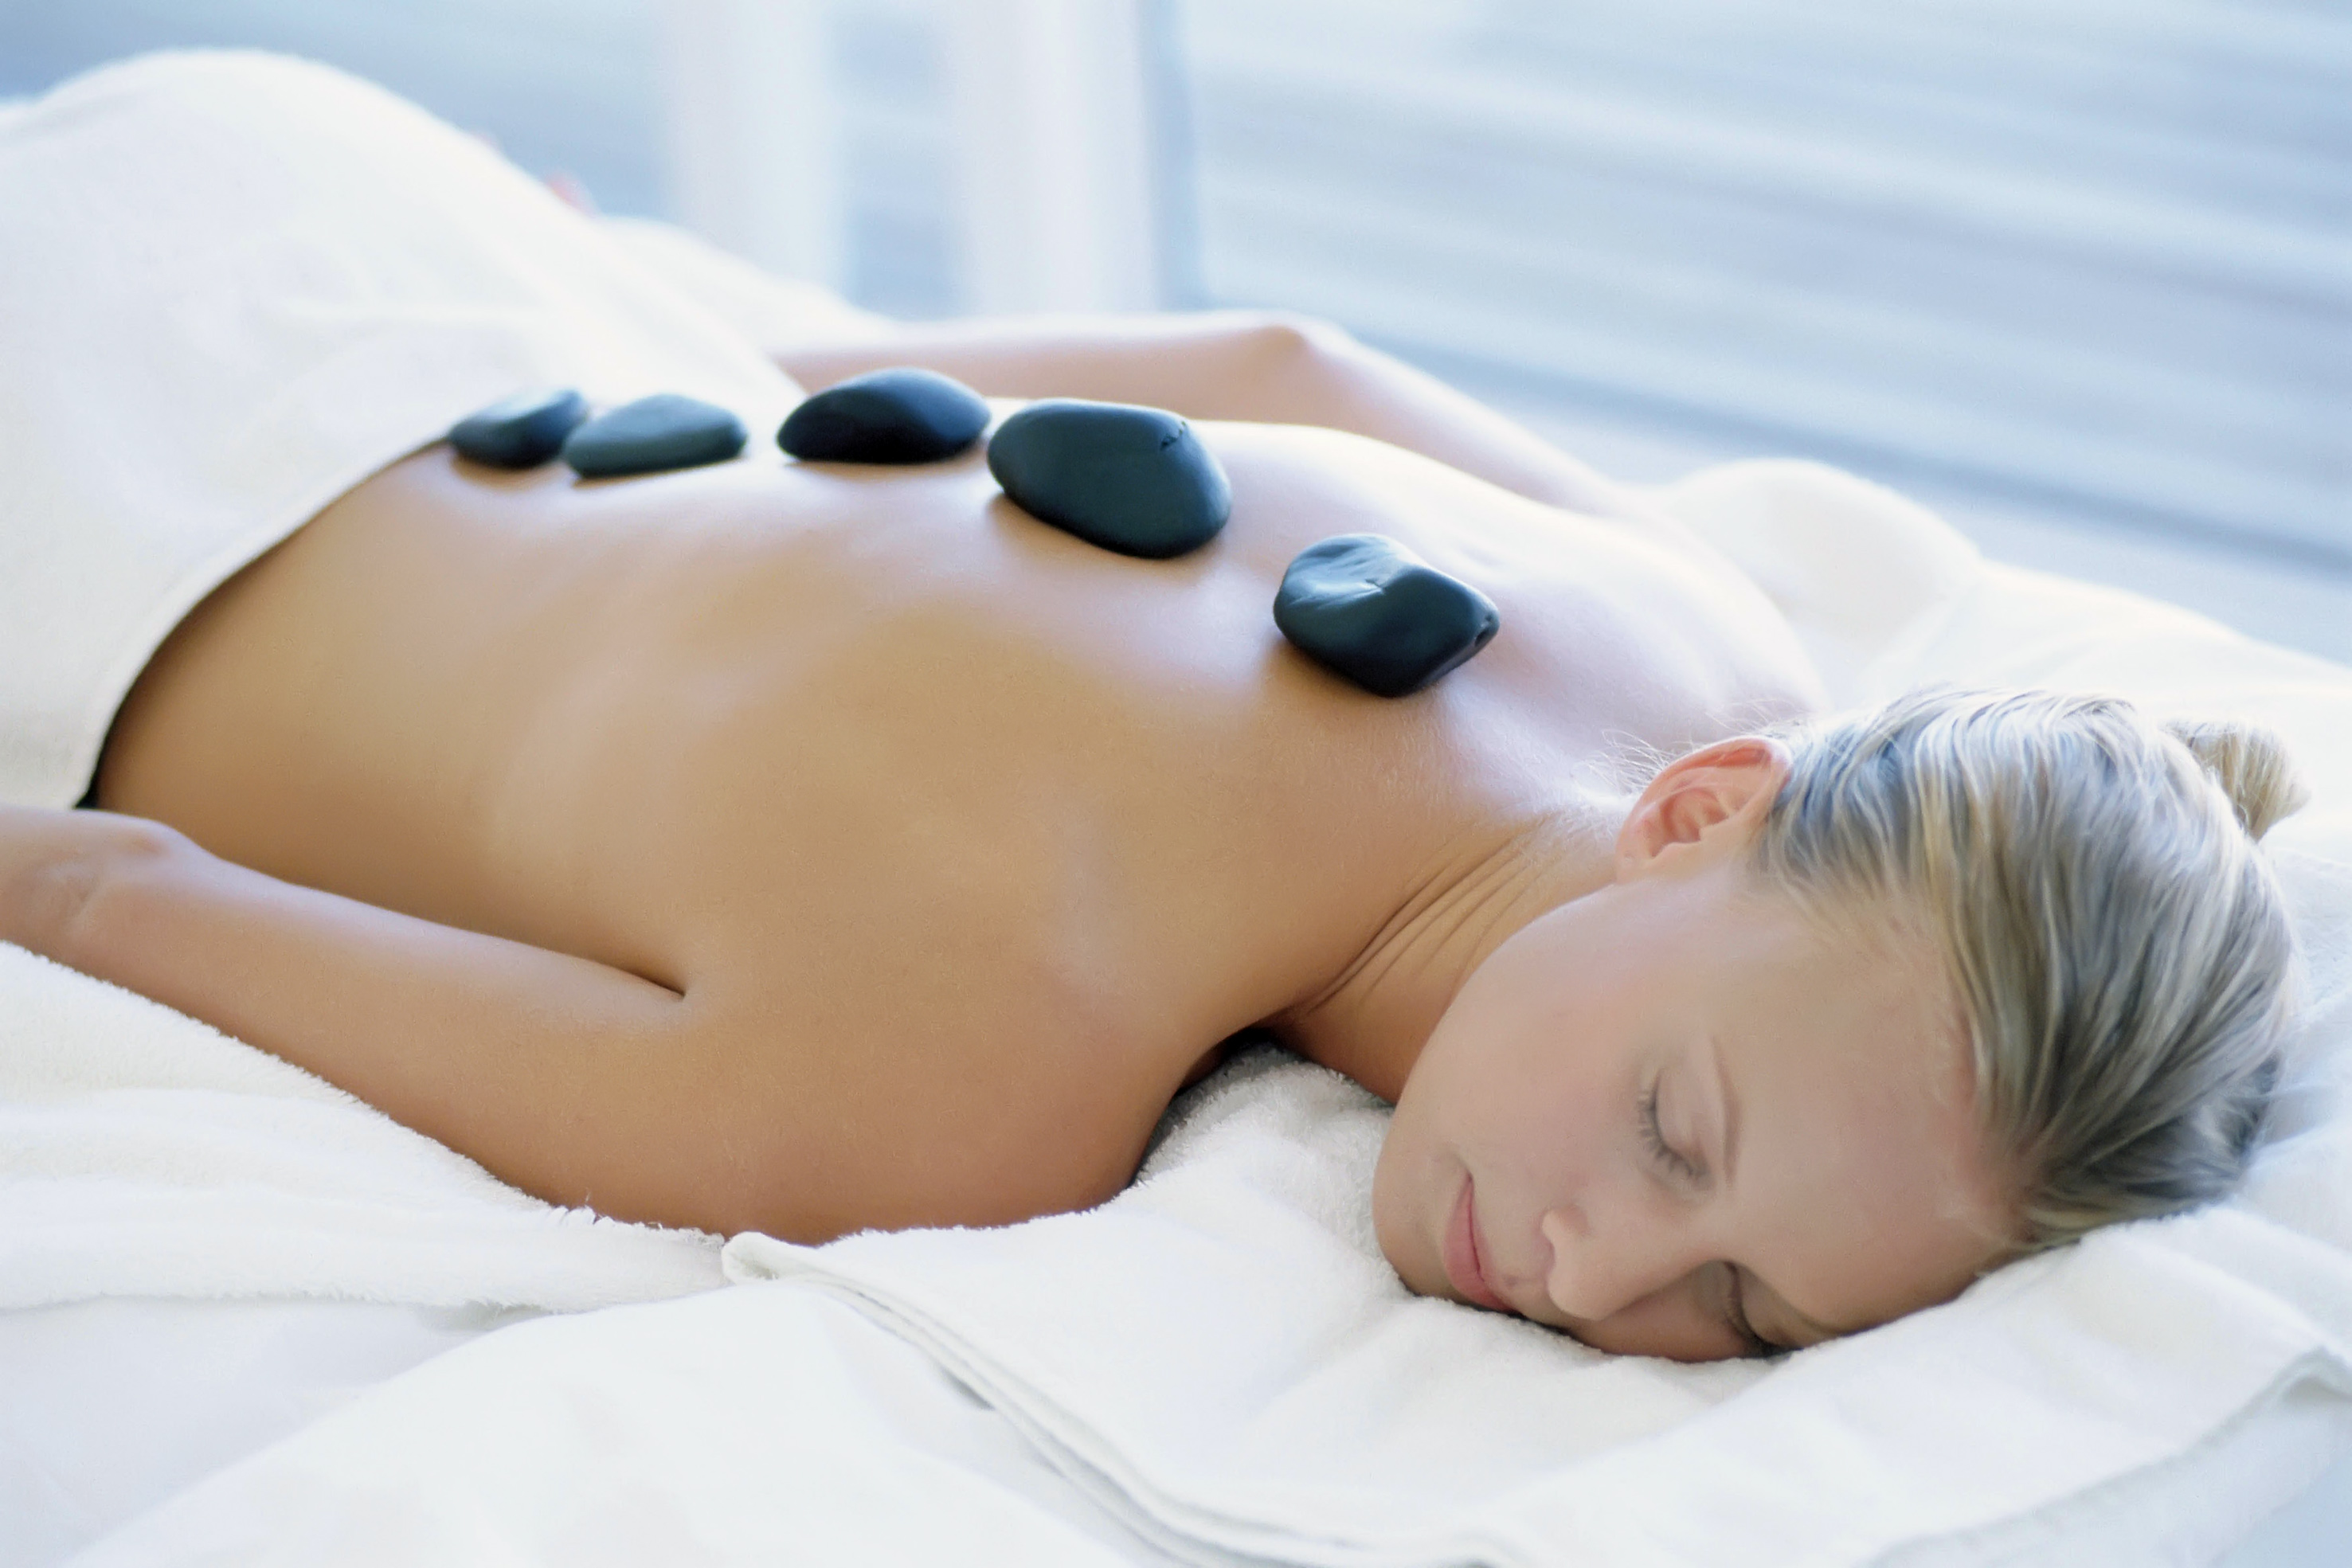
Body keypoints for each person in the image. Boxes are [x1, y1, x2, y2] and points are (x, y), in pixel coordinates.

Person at [0, 51, 2303, 1363]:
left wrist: (642, 332)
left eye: (1747, 1309)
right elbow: (111, 892)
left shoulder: (1696, 632)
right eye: (1677, 1133)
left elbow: (1283, 367)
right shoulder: (975, 1081)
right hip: (88, 449)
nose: (1597, 1262)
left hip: (376, 209)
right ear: (1701, 814)